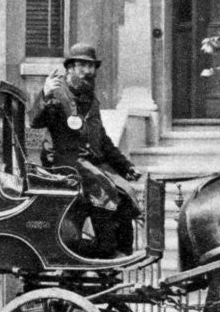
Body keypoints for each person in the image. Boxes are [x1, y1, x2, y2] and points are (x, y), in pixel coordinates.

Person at [30, 43, 142, 257]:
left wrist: (125, 166)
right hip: (65, 163)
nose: (88, 72)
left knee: (125, 193)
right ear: (70, 68)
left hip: (89, 163)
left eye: (91, 67)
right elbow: (35, 121)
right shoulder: (57, 92)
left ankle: (122, 253)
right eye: (82, 66)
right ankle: (104, 252)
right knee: (103, 190)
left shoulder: (91, 99)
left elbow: (103, 140)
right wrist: (44, 95)